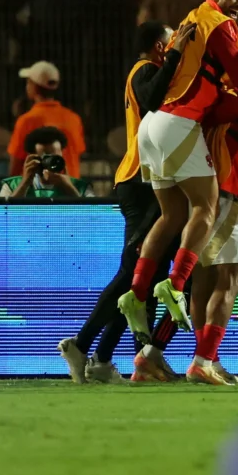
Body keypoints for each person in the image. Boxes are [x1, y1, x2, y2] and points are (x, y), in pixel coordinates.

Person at [117, 0, 238, 349]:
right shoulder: (221, 25)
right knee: (205, 209)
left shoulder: (191, 17)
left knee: (172, 215)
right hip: (179, 123)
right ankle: (175, 284)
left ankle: (137, 292)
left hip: (154, 125)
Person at [58, 21, 193, 385]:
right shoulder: (143, 70)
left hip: (146, 179)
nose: (174, 47)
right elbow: (151, 99)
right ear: (158, 46)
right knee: (131, 275)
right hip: (140, 180)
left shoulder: (150, 71)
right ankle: (82, 344)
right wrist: (179, 52)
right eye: (170, 42)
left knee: (141, 281)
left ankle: (101, 358)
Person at [186, 116, 238, 386]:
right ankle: (203, 361)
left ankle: (207, 359)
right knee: (231, 277)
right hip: (227, 190)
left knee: (203, 279)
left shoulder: (214, 104)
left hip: (202, 192)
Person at [7, 61, 87, 180]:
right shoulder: (74, 118)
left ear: (34, 86)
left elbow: (16, 166)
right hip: (70, 190)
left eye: (28, 82)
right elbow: (77, 155)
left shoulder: (26, 120)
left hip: (38, 194)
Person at [0, 126, 86, 198]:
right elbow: (1, 217)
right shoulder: (11, 186)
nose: (51, 162)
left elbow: (93, 216)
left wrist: (69, 188)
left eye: (55, 157)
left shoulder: (81, 187)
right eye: (45, 157)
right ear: (31, 157)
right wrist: (25, 183)